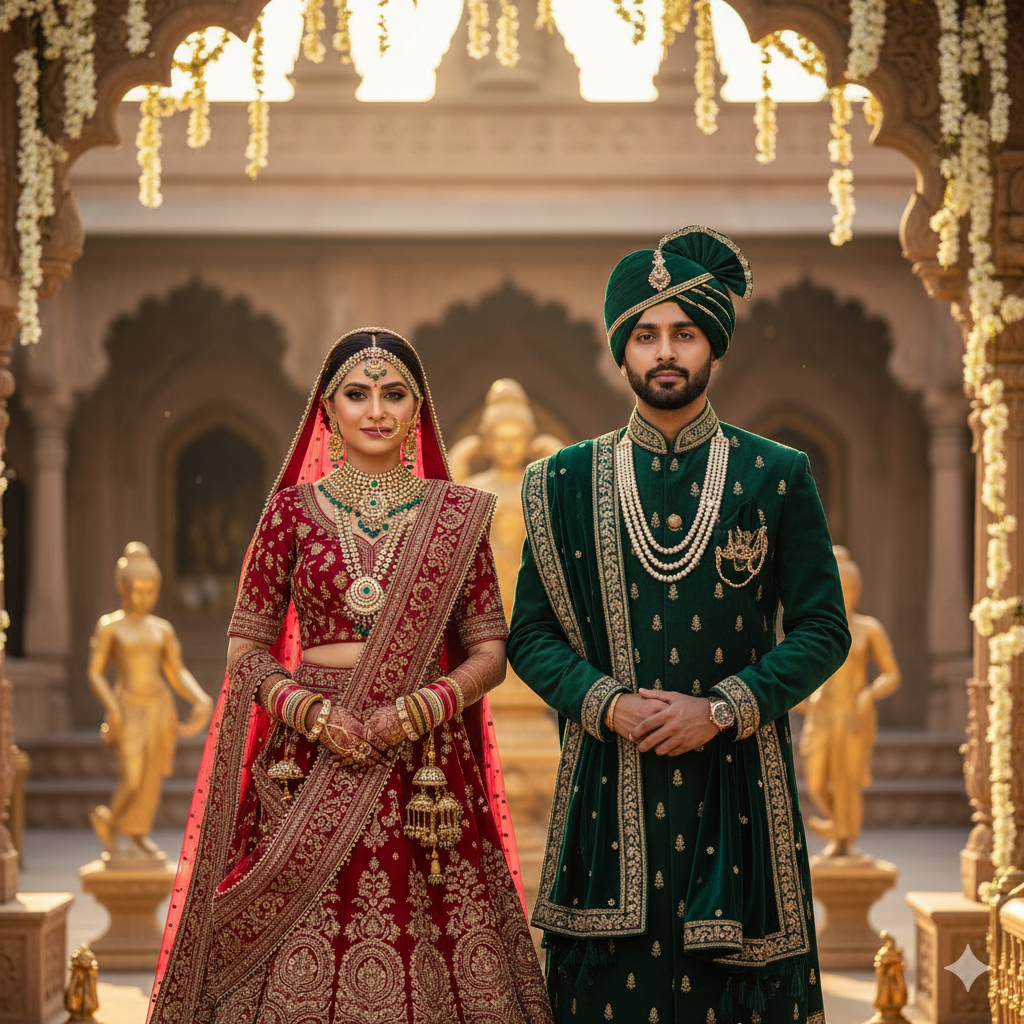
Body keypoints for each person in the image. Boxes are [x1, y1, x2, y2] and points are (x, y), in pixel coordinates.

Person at [148, 329, 553, 1024]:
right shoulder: (289, 515)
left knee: (426, 930)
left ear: (417, 409)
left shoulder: (456, 516)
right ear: (327, 409)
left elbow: (489, 651)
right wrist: (311, 714)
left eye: (393, 394)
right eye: (356, 393)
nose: (375, 409)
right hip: (306, 757)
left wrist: (416, 709)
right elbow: (245, 650)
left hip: (425, 757)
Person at [508, 228, 851, 1024]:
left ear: (713, 345)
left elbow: (823, 628)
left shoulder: (776, 474)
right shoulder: (559, 482)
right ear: (620, 350)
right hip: (605, 796)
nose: (666, 351)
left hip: (738, 794)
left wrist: (722, 708)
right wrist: (608, 703)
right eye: (645, 334)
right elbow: (529, 635)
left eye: (684, 333)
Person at [88, 542, 212, 857]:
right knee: (131, 778)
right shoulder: (110, 626)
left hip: (159, 706)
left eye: (150, 591)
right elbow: (95, 672)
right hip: (128, 705)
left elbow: (176, 671)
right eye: (137, 591)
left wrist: (200, 698)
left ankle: (138, 832)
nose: (143, 598)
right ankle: (111, 820)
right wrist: (113, 708)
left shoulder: (162, 629)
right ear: (122, 587)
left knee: (150, 779)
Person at [793, 546, 901, 857]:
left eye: (849, 589)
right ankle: (837, 824)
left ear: (857, 590)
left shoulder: (869, 629)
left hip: (851, 713)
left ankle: (843, 839)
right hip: (821, 714)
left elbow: (891, 674)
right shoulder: (816, 628)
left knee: (846, 782)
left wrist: (868, 694)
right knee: (815, 782)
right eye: (837, 589)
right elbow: (799, 669)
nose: (844, 595)